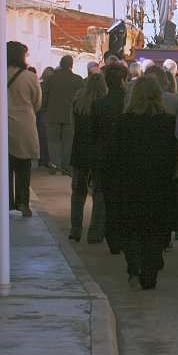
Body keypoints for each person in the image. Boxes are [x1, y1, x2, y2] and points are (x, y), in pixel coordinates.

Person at [109, 76, 178, 290]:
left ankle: (133, 269)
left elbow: (112, 156)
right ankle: (150, 274)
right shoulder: (168, 123)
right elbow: (174, 155)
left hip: (129, 184)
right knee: (155, 230)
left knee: (131, 230)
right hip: (159, 185)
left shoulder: (122, 122)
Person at [91, 62, 131, 254]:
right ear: (123, 80)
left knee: (108, 200)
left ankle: (112, 239)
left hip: (103, 157)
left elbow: (93, 134)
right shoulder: (129, 103)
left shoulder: (98, 104)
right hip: (125, 157)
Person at [69, 73, 108, 242]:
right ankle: (95, 233)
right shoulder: (102, 106)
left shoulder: (78, 104)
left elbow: (73, 126)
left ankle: (75, 229)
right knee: (99, 193)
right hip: (97, 153)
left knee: (78, 192)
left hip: (79, 151)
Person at [7, 41, 42, 217]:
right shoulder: (30, 77)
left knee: (6, 167)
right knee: (23, 167)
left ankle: (7, 201)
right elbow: (37, 103)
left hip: (2, 126)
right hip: (24, 126)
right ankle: (23, 202)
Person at [42, 55, 85, 174]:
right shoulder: (77, 80)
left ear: (60, 65)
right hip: (70, 116)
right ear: (71, 65)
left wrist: (45, 110)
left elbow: (44, 97)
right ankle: (67, 165)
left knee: (53, 140)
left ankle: (56, 164)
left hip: (52, 115)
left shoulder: (50, 79)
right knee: (69, 141)